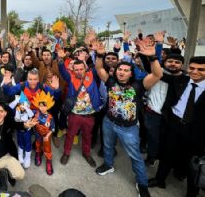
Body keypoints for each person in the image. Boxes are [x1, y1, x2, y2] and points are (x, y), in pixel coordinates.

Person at [94, 38, 163, 197]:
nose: (121, 72)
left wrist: (153, 57)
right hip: (108, 122)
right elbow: (99, 69)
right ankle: (108, 165)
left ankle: (142, 183)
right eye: (120, 69)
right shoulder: (110, 81)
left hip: (129, 128)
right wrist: (99, 55)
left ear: (131, 73)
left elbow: (157, 74)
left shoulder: (140, 85)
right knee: (108, 146)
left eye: (126, 70)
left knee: (136, 157)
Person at [148, 56, 205, 197]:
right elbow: (158, 74)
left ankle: (191, 193)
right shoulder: (181, 79)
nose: (195, 72)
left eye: (201, 69)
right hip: (174, 124)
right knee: (167, 153)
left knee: (193, 164)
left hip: (197, 131)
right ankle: (159, 180)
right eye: (192, 68)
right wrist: (151, 57)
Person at [57, 49, 102, 168]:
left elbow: (99, 66)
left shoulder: (92, 75)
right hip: (75, 115)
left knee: (87, 136)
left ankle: (87, 154)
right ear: (73, 70)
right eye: (76, 69)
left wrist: (99, 54)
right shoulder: (71, 78)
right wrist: (61, 59)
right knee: (70, 135)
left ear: (85, 68)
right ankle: (66, 153)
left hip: (89, 115)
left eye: (81, 69)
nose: (79, 72)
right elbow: (62, 70)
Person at [31, 91, 56, 175]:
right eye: (40, 106)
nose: (42, 108)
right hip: (38, 134)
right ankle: (38, 155)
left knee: (47, 149)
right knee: (38, 145)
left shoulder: (50, 117)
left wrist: (47, 136)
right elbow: (33, 122)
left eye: (44, 106)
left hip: (46, 136)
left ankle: (49, 162)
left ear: (48, 106)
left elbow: (52, 129)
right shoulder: (36, 114)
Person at [9, 92, 34, 168]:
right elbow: (9, 107)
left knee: (27, 143)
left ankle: (27, 157)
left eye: (24, 104)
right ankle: (20, 154)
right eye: (21, 104)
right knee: (20, 142)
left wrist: (26, 107)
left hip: (27, 131)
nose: (22, 106)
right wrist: (16, 101)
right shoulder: (16, 110)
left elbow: (31, 115)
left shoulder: (28, 111)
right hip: (19, 130)